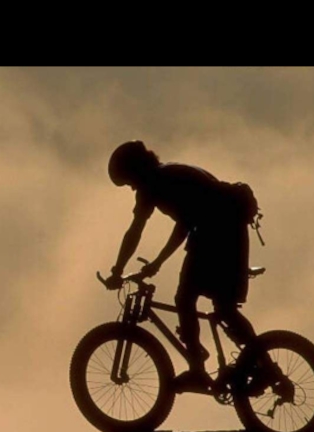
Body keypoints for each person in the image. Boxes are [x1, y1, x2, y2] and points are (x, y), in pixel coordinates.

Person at [102, 140, 260, 393]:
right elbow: (141, 230)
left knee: (187, 298)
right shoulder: (162, 177)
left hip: (219, 234)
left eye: (129, 181)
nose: (131, 188)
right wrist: (129, 268)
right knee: (222, 308)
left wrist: (141, 266)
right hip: (218, 234)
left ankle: (201, 369)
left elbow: (178, 226)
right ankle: (257, 364)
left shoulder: (161, 181)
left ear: (136, 170)